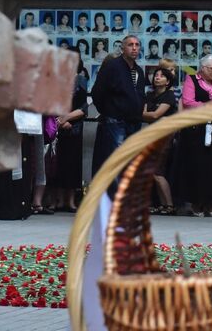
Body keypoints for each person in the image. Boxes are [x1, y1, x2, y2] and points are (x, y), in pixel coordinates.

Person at [91, 35, 148, 181]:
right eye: (130, 45)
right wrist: (108, 112)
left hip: (134, 121)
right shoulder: (112, 66)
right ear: (123, 48)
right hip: (116, 121)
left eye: (137, 45)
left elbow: (139, 95)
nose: (134, 48)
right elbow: (97, 92)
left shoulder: (139, 71)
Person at [175, 55, 212, 217]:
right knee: (197, 165)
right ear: (203, 68)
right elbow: (188, 102)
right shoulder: (192, 80)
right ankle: (197, 202)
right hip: (196, 130)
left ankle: (211, 202)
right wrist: (208, 106)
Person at [142, 59, 180, 214]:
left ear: (168, 81)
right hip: (151, 136)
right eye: (155, 75)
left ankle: (169, 205)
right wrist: (150, 116)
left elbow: (155, 114)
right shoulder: (149, 95)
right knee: (154, 171)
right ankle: (163, 205)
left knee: (157, 172)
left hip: (164, 137)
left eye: (161, 76)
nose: (157, 77)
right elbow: (144, 115)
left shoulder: (169, 96)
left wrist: (150, 116)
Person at [52, 66, 89, 211]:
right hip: (55, 127)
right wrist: (59, 120)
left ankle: (71, 200)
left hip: (75, 127)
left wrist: (66, 118)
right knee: (56, 165)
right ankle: (58, 200)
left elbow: (84, 107)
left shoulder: (81, 80)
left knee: (73, 164)